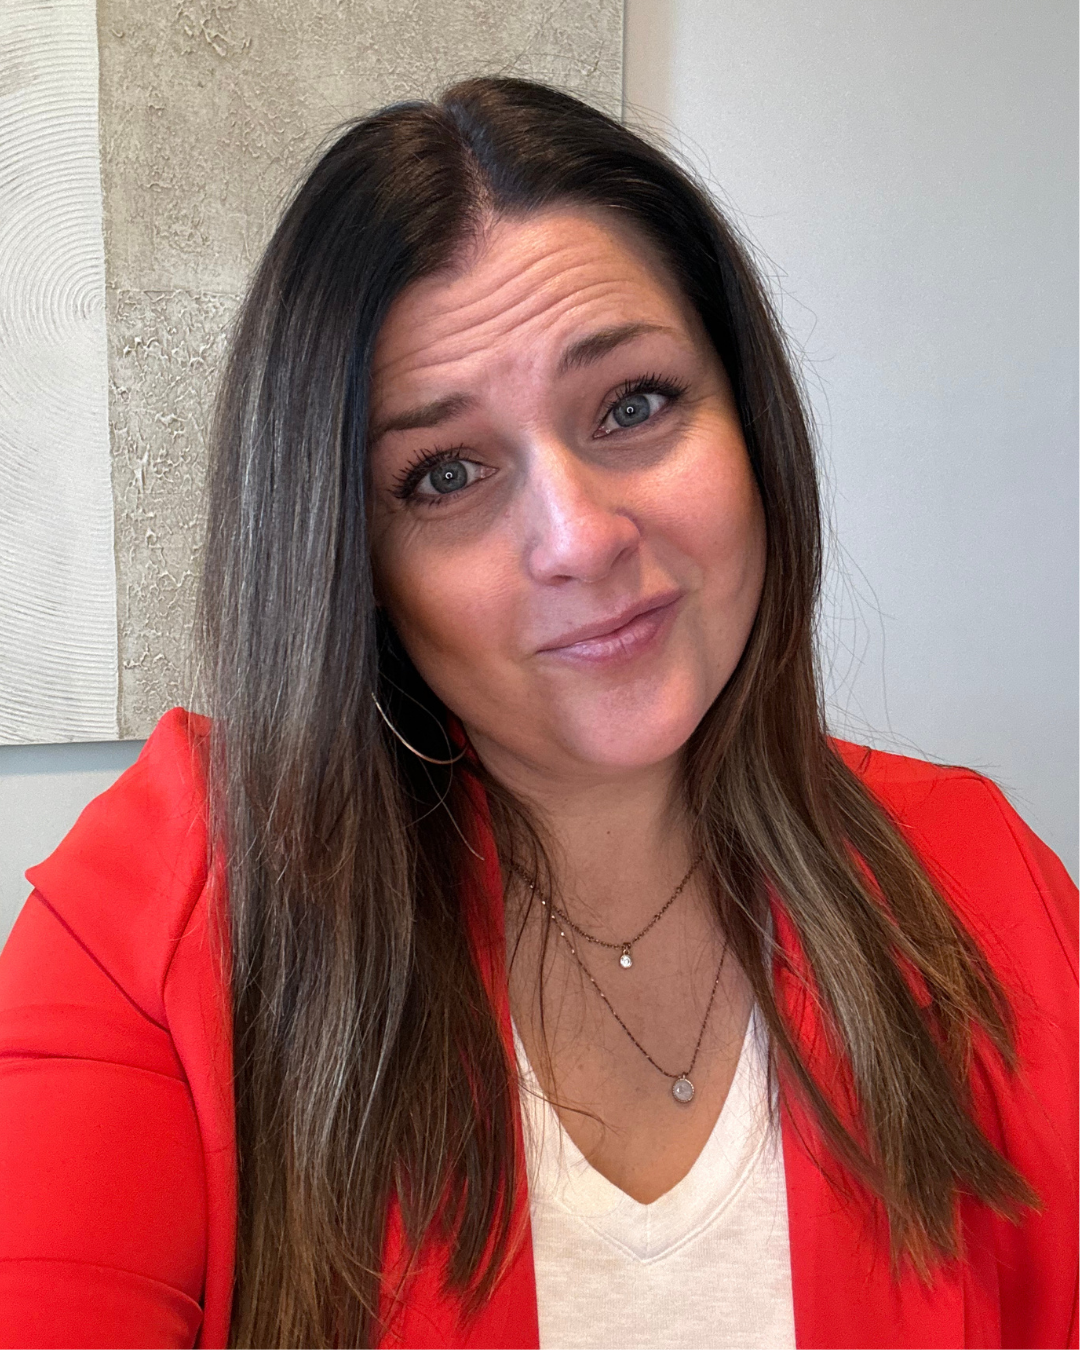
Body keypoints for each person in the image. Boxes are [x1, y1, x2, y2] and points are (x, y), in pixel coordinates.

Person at [0, 77, 1075, 1350]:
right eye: (444, 473)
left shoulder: (976, 879)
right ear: (349, 560)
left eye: (634, 402)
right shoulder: (169, 906)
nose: (579, 539)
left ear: (751, 421)